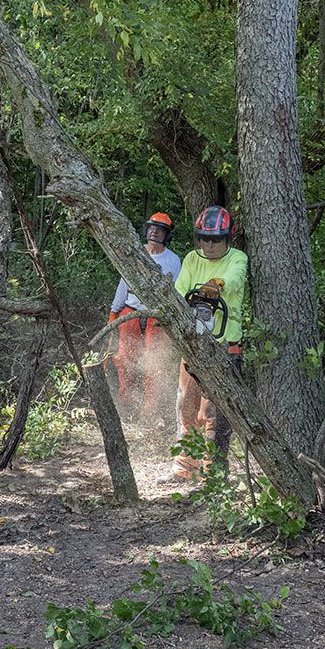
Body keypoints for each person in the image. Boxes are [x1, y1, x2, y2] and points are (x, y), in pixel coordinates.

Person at [161, 205, 248, 482]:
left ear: (227, 239)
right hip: (193, 343)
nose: (209, 245)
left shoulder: (238, 258)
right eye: (205, 239)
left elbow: (235, 280)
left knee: (213, 412)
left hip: (224, 344)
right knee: (185, 407)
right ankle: (185, 467)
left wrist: (218, 283)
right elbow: (178, 289)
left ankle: (213, 474)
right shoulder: (191, 258)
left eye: (216, 240)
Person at [107, 212, 181, 416]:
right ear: (146, 230)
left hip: (156, 316)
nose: (155, 232)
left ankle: (150, 411)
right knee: (124, 359)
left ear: (167, 234)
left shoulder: (172, 260)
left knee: (153, 363)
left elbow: (178, 291)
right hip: (130, 312)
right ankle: (126, 404)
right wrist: (114, 311)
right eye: (152, 228)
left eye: (160, 230)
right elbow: (124, 283)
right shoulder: (136, 254)